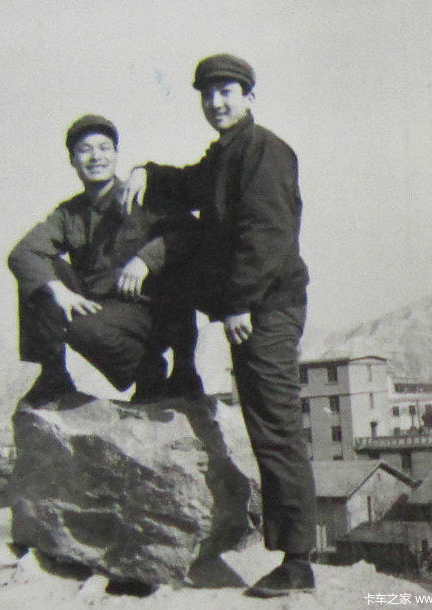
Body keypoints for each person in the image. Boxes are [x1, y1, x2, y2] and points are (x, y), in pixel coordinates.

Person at [121, 54, 317, 596]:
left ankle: (298, 562)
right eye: (207, 95)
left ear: (249, 96)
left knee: (275, 426)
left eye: (227, 92)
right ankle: (175, 371)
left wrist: (238, 304)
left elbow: (267, 237)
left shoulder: (265, 151)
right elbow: (188, 184)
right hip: (249, 300)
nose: (216, 103)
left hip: (268, 306)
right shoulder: (227, 152)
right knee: (166, 254)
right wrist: (145, 171)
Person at [8, 114, 201, 408]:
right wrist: (59, 292)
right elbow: (23, 253)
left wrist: (146, 259)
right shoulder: (69, 213)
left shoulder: (141, 196)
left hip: (148, 313)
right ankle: (53, 374)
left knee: (83, 327)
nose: (96, 157)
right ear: (73, 160)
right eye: (85, 150)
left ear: (116, 154)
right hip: (100, 308)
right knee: (37, 276)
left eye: (104, 148)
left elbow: (192, 233)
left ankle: (163, 370)